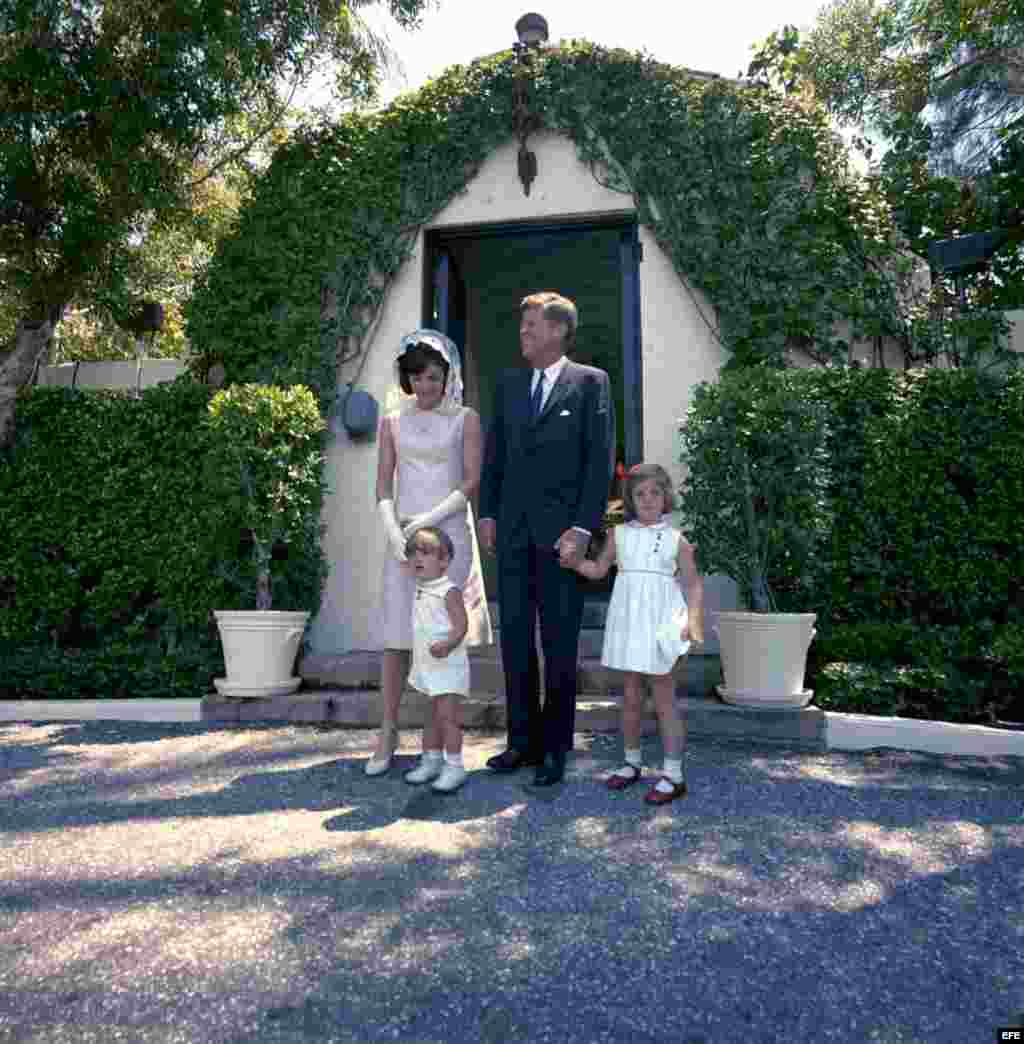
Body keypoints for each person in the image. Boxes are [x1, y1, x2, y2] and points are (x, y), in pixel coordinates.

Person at [479, 291, 614, 789]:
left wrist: (582, 529)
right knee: (515, 640)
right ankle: (521, 741)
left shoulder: (590, 384)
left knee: (558, 646)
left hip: (563, 542)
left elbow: (599, 463)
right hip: (512, 534)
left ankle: (556, 749)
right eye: (522, 326)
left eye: (532, 325)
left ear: (558, 331)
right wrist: (488, 513)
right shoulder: (510, 384)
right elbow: (494, 456)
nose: (524, 333)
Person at [366, 330, 492, 777]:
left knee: (442, 636)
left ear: (447, 377)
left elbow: (471, 482)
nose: (425, 386)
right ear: (407, 379)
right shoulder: (392, 423)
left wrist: (426, 520)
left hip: (449, 533)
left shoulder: (465, 419)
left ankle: (441, 746)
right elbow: (383, 486)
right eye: (417, 378)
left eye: (434, 377)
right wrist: (393, 529)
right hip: (403, 541)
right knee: (398, 637)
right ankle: (387, 731)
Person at [567, 462, 704, 804]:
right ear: (630, 498)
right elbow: (598, 570)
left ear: (665, 497)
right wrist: (573, 563)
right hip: (629, 621)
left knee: (663, 698)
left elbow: (693, 584)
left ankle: (674, 775)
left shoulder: (677, 540)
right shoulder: (619, 535)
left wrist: (693, 620)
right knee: (629, 696)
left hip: (661, 622)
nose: (647, 499)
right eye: (640, 493)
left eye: (655, 493)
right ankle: (631, 763)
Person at [401, 526, 470, 793]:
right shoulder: (421, 587)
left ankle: (455, 766)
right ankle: (431, 760)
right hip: (427, 664)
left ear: (444, 561)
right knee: (430, 716)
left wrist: (448, 644)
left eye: (426, 552)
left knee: (447, 717)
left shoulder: (448, 591)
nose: (417, 558)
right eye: (412, 553)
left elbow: (462, 626)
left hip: (447, 663)